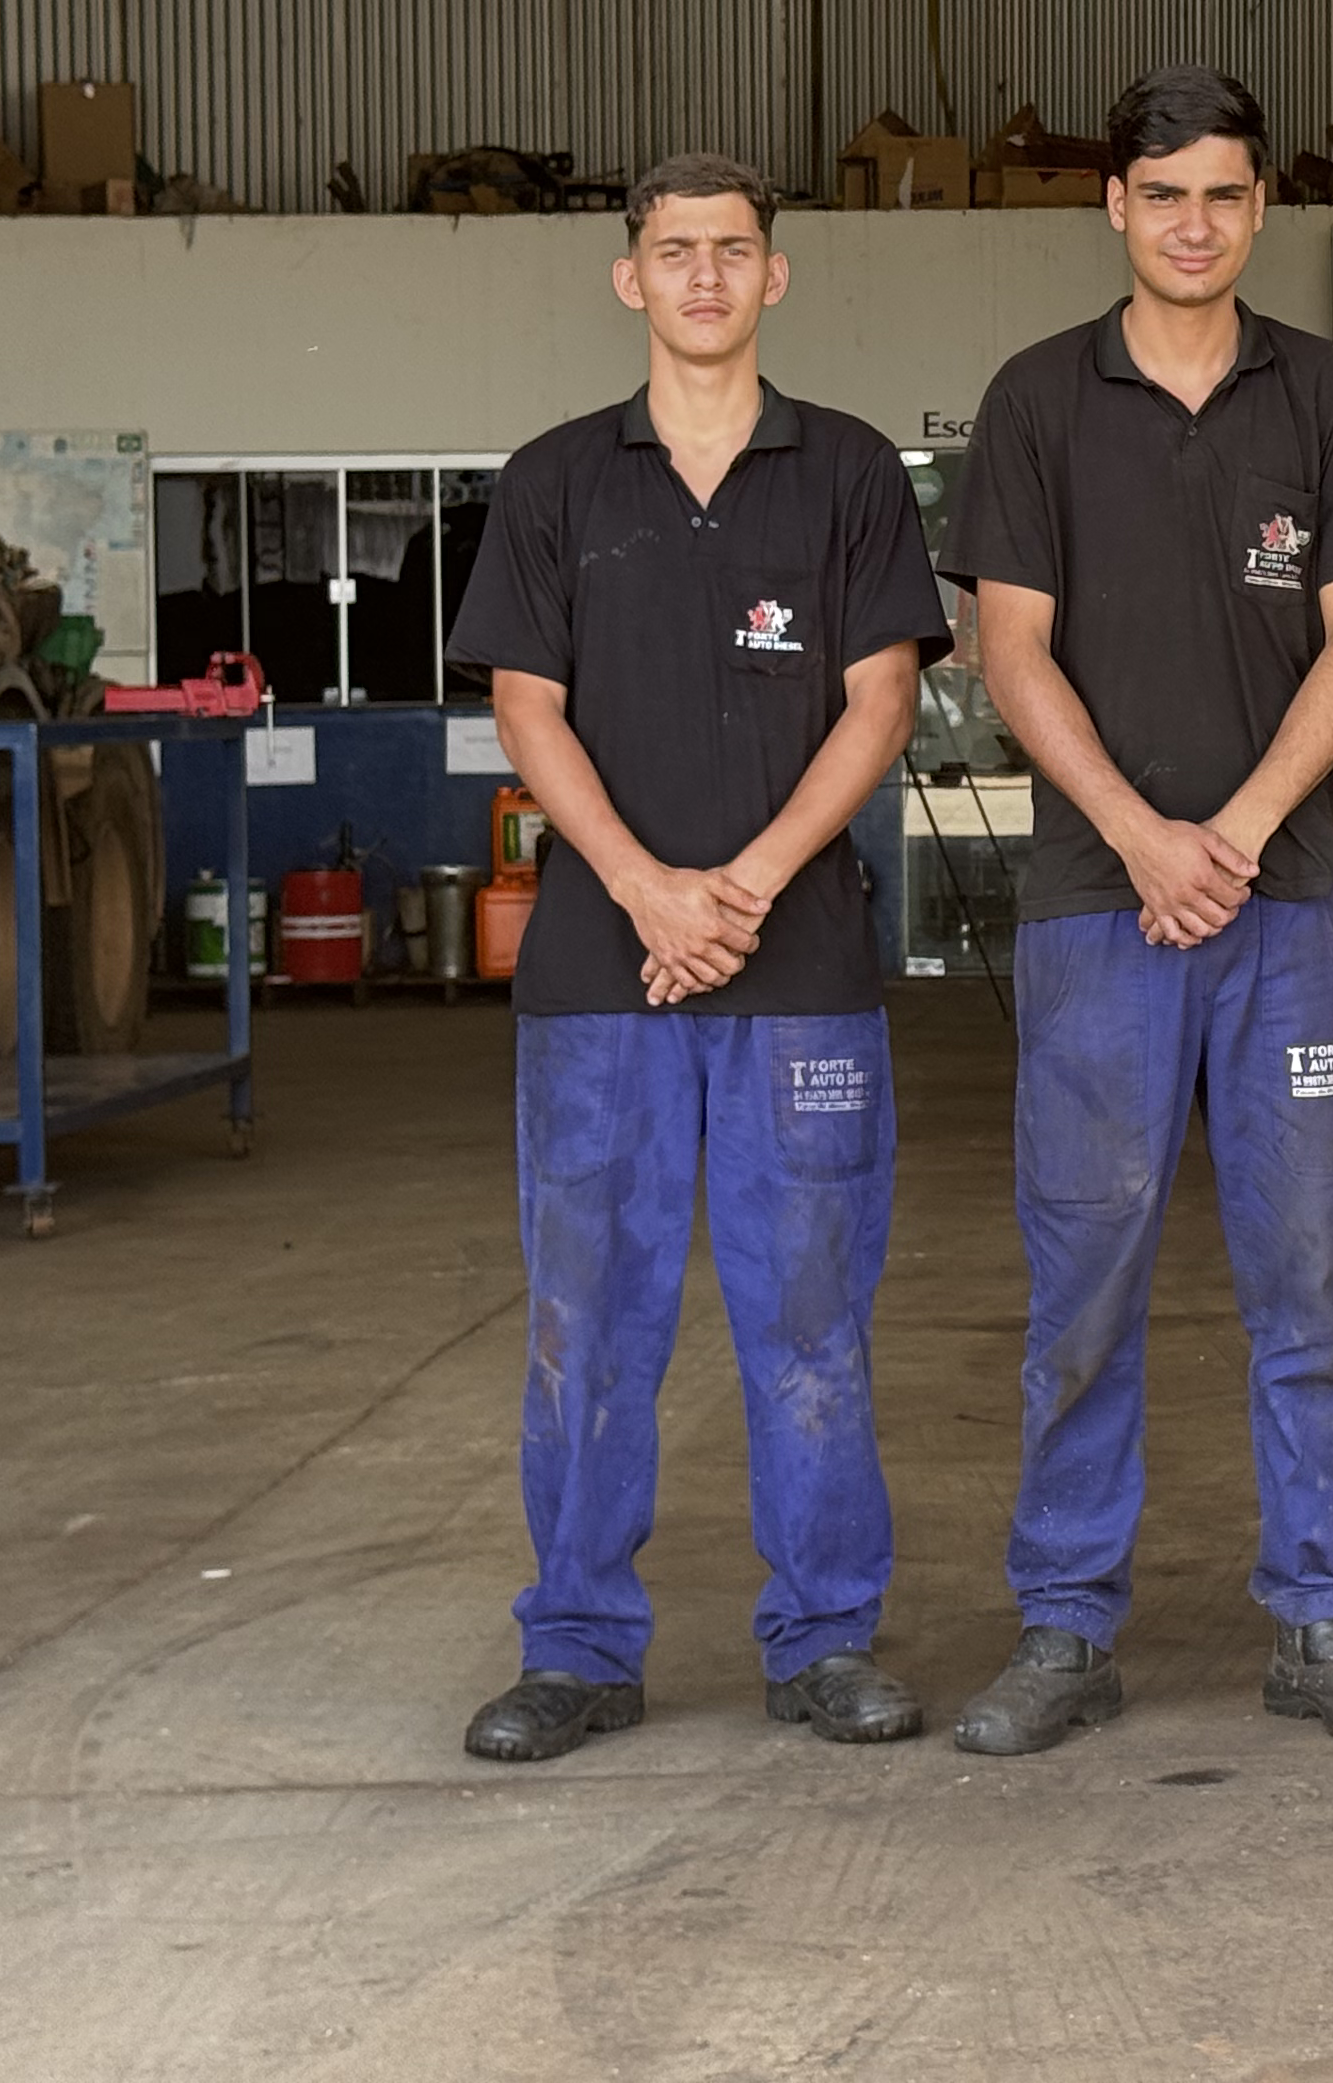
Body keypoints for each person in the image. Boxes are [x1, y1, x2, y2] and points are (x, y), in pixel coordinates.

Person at [941, 66, 1333, 1757]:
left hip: (1282, 909)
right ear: (1116, 208)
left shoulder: (1329, 397)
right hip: (1098, 912)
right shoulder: (1036, 401)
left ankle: (1318, 1617)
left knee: (1306, 1282)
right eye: (1164, 196)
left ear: (1261, 207)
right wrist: (1144, 838)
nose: (1195, 225)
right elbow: (1011, 652)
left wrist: (1228, 831)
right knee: (1086, 1282)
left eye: (1224, 195)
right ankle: (1066, 1625)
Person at [445, 150, 950, 1763]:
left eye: (735, 250)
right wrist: (647, 892)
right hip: (601, 981)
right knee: (587, 1321)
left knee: (810, 1316)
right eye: (677, 252)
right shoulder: (555, 481)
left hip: (800, 974)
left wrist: (736, 888)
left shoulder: (850, 471)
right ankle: (579, 1646)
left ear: (775, 275)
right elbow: (526, 707)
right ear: (632, 278)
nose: (708, 276)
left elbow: (882, 698)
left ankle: (825, 1638)